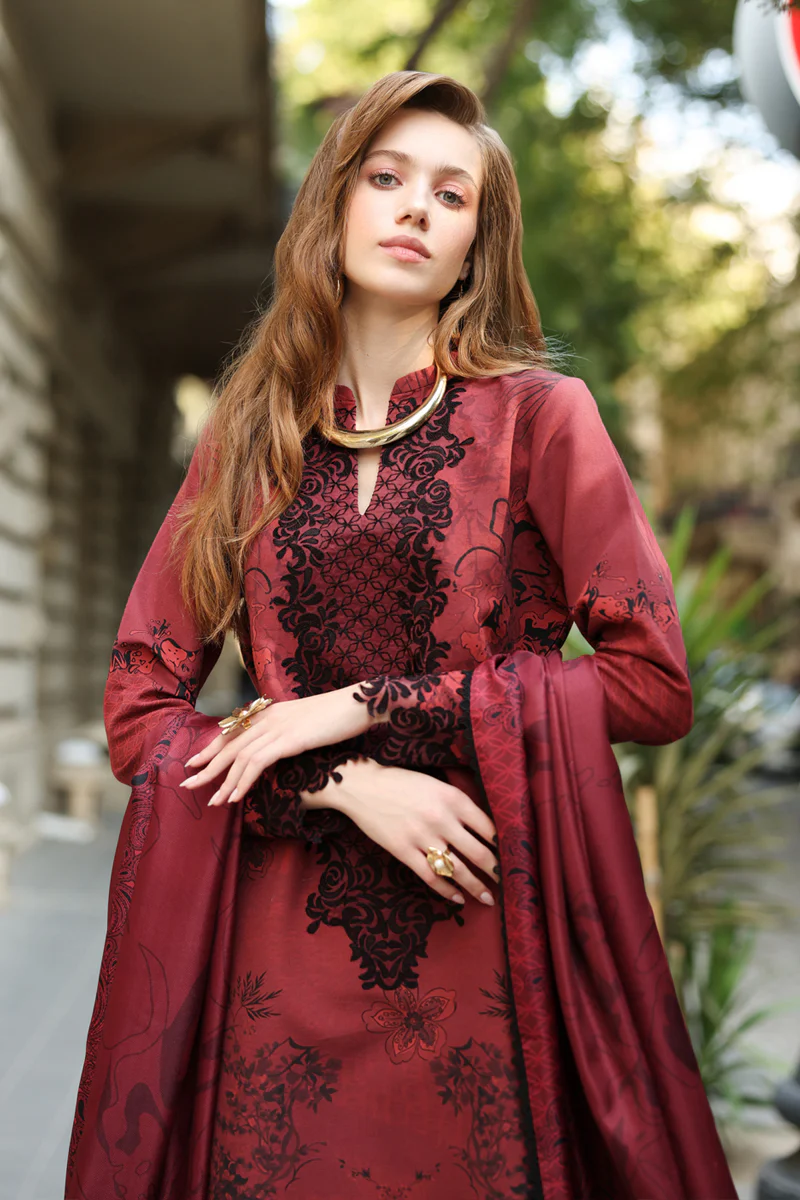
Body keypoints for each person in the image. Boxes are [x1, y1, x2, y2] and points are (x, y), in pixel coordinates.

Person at [65, 70, 738, 1200]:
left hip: (486, 938)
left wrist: (360, 706)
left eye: (451, 194)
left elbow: (652, 682)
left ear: (476, 244)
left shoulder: (539, 420)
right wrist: (341, 780)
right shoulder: (250, 438)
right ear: (332, 206)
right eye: (386, 178)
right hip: (274, 960)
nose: (416, 207)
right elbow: (139, 707)